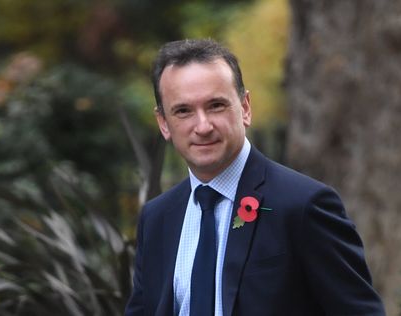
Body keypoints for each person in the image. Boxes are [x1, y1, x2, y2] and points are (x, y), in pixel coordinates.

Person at [125, 39, 385, 316]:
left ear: (245, 107)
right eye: (183, 111)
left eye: (215, 105)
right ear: (164, 123)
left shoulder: (303, 206)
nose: (202, 126)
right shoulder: (157, 218)